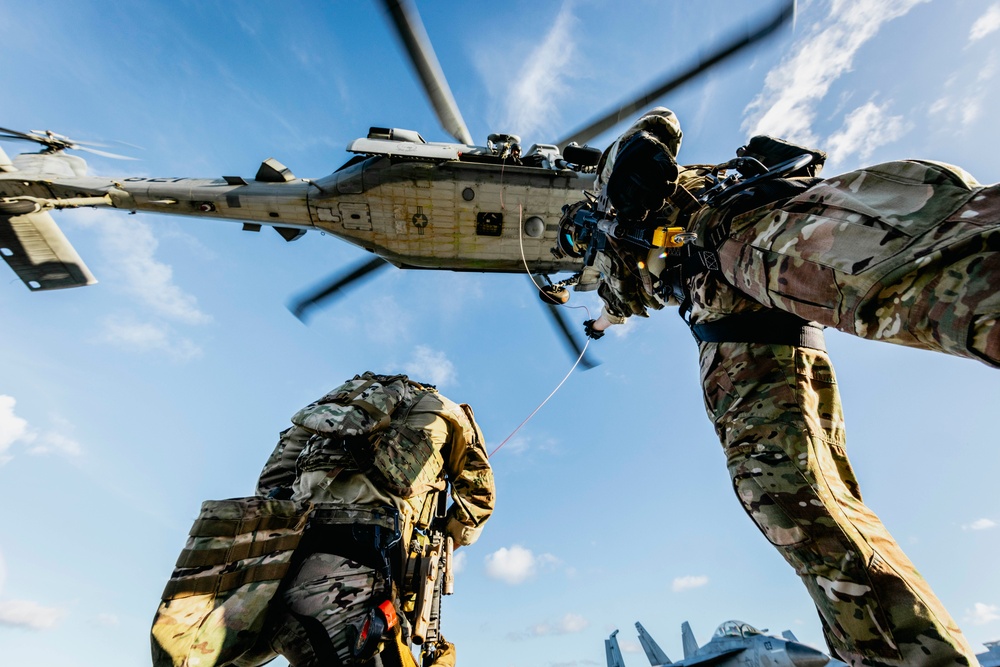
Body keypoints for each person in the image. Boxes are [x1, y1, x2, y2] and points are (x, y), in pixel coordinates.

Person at [580, 108, 998, 667]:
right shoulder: (619, 253)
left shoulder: (660, 192)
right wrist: (600, 322)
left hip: (752, 227)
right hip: (732, 331)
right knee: (784, 496)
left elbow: (658, 126)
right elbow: (623, 297)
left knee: (938, 274)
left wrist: (621, 175)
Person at [152, 372, 495, 667]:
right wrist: (440, 540)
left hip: (273, 568)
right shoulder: (447, 411)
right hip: (358, 565)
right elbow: (477, 501)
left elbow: (272, 482)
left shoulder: (329, 409)